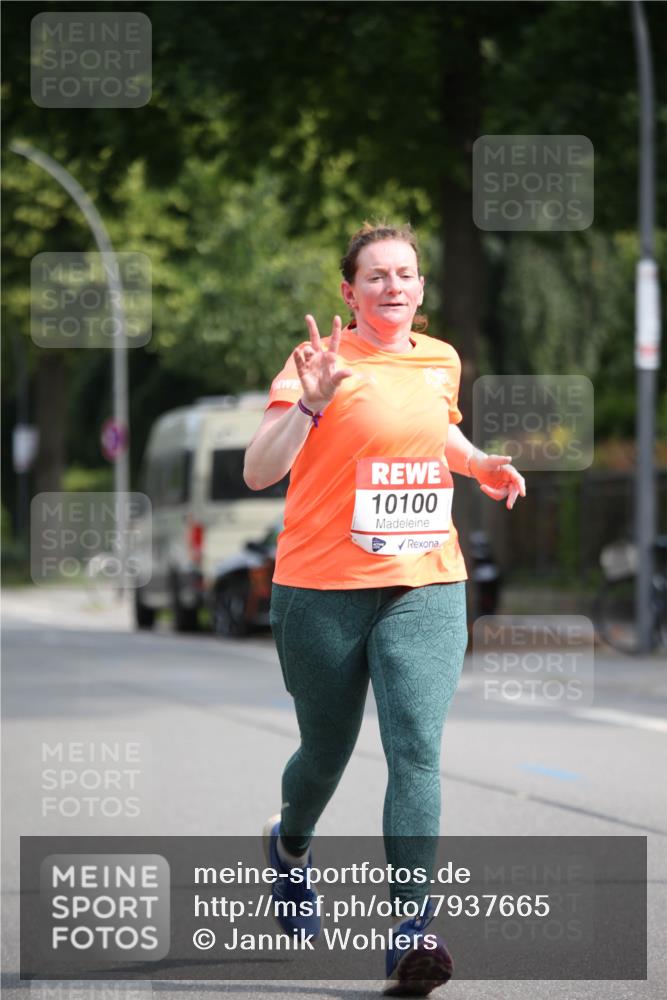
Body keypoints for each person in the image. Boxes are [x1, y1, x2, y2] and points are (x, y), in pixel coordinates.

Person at [243, 222, 525, 996]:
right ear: (348, 291)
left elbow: (439, 438)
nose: (391, 287)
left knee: (414, 750)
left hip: (425, 583)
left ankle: (411, 930)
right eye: (374, 277)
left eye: (404, 275)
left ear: (421, 288)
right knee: (324, 755)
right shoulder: (318, 365)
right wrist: (307, 405)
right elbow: (259, 471)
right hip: (320, 590)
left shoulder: (440, 361)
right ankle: (289, 846)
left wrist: (480, 466)